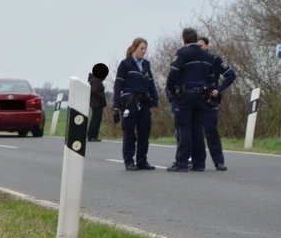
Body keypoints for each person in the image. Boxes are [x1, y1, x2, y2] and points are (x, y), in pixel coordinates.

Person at [165, 28, 234, 172]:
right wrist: (209, 90)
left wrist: (171, 90)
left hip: (186, 96)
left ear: (184, 40)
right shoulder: (207, 57)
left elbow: (173, 72)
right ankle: (199, 163)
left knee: (185, 129)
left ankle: (182, 163)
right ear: (196, 39)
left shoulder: (183, 52)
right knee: (197, 130)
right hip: (202, 97)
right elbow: (210, 78)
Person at [112, 37, 159, 170]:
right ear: (134, 48)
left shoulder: (146, 65)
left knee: (144, 132)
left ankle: (142, 160)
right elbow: (118, 84)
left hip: (144, 102)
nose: (144, 51)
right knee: (129, 132)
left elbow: (151, 84)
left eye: (145, 49)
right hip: (130, 102)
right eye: (141, 48)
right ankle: (129, 161)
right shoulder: (125, 64)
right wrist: (116, 103)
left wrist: (155, 100)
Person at [197, 36, 237, 171]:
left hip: (210, 101)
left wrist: (218, 89)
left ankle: (219, 161)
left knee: (211, 132)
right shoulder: (192, 62)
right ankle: (197, 161)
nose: (199, 48)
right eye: (196, 46)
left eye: (201, 45)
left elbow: (231, 75)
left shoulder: (215, 60)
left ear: (207, 46)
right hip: (195, 101)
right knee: (194, 132)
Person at [87, 63, 109, 142]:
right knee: (96, 119)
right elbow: (94, 91)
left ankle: (92, 136)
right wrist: (102, 97)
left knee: (96, 119)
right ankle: (91, 136)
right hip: (96, 103)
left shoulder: (95, 79)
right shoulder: (96, 80)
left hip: (96, 103)